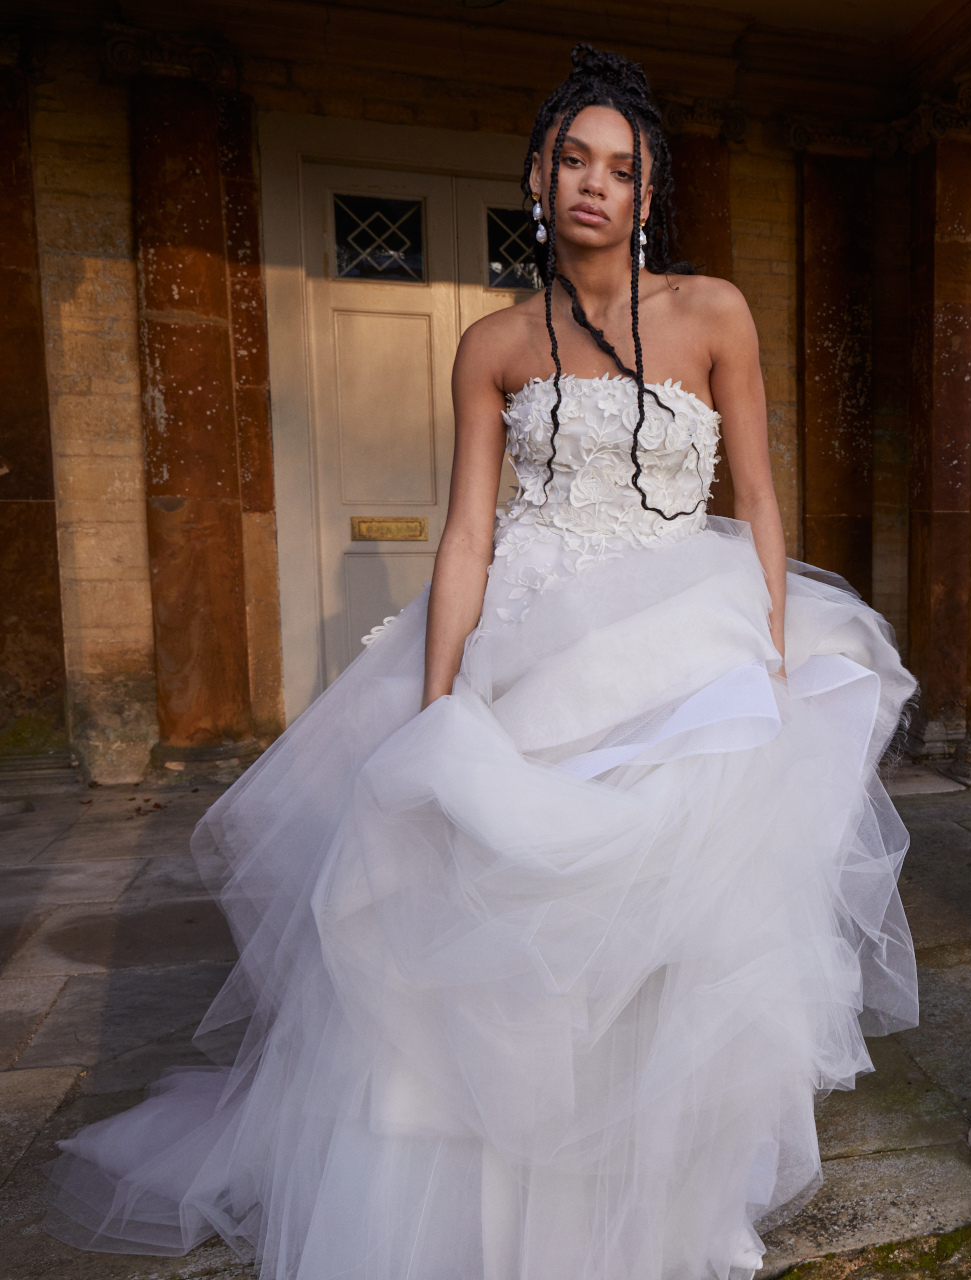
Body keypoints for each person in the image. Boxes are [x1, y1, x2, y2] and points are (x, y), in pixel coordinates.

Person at [43, 44, 917, 1280]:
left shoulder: (715, 311)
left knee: (680, 926)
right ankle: (504, 1207)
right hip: (529, 632)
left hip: (690, 638)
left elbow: (763, 500)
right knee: (488, 908)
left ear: (649, 192)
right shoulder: (493, 342)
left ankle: (666, 1197)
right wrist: (438, 703)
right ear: (538, 175)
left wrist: (771, 652)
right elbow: (465, 532)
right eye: (575, 160)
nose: (596, 185)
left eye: (622, 167)